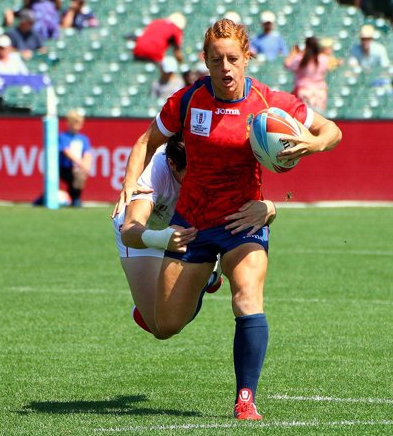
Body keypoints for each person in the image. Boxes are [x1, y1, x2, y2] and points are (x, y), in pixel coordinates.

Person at [112, 19, 341, 420]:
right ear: (205, 60)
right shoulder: (186, 101)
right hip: (192, 226)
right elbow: (148, 140)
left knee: (248, 297)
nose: (226, 68)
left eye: (233, 59)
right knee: (166, 326)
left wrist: (314, 142)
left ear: (247, 58)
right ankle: (204, 281)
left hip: (243, 221)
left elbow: (331, 130)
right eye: (216, 60)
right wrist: (130, 183)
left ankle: (246, 399)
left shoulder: (269, 102)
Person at [113, 134, 277, 334]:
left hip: (186, 231)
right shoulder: (152, 173)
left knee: (178, 313)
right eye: (192, 175)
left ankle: (207, 275)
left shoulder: (210, 161)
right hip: (146, 235)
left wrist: (269, 207)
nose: (200, 180)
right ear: (172, 164)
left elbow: (247, 203)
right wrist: (161, 239)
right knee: (161, 328)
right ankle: (209, 278)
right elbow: (129, 232)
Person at [284, 36, 333, 111]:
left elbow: (287, 65)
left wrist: (293, 53)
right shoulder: (323, 59)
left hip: (304, 91)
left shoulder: (300, 58)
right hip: (320, 92)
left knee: (304, 119)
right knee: (319, 120)